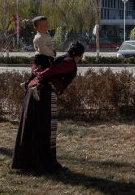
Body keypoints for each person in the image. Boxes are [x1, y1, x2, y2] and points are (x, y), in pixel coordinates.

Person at [12, 41, 85, 174]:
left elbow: (36, 64)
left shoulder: (58, 58)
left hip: (33, 91)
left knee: (30, 127)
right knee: (45, 129)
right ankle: (46, 164)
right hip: (44, 96)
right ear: (79, 55)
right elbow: (54, 70)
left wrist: (36, 74)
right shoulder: (69, 62)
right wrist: (41, 75)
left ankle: (26, 162)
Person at [28, 16, 56, 101]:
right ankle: (36, 88)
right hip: (42, 57)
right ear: (35, 27)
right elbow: (43, 49)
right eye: (41, 26)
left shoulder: (45, 34)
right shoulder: (38, 38)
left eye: (46, 25)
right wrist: (52, 53)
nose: (45, 27)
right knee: (44, 74)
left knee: (41, 74)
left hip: (46, 56)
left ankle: (28, 84)